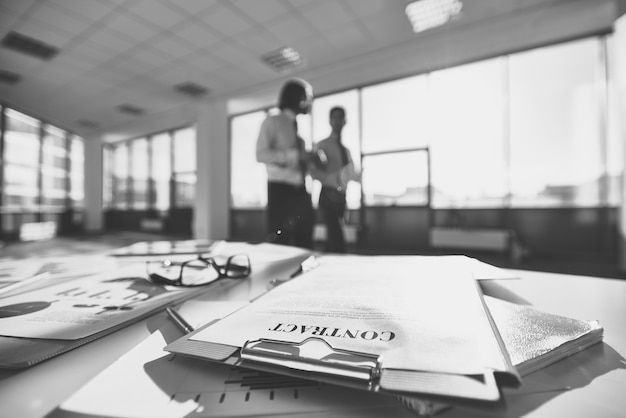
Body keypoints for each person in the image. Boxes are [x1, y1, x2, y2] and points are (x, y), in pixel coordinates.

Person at [256, 79, 317, 248]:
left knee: (305, 241)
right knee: (280, 243)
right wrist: (295, 156)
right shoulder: (272, 122)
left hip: (301, 191)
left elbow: (300, 161)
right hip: (280, 191)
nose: (309, 102)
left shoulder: (300, 131)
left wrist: (310, 161)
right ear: (296, 97)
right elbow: (261, 154)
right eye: (307, 97)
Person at [310, 106, 359, 253]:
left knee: (335, 236)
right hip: (327, 195)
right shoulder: (322, 145)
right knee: (336, 237)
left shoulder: (346, 151)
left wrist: (356, 177)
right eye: (334, 117)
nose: (338, 121)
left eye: (340, 117)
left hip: (342, 196)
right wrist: (333, 180)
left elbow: (350, 174)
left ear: (345, 121)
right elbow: (313, 172)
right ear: (330, 121)